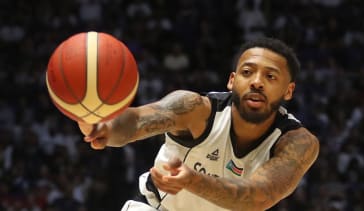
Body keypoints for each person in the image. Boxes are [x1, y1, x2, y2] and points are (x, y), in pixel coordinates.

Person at [78, 37, 320, 211]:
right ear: (232, 81)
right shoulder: (195, 109)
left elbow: (259, 197)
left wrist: (192, 180)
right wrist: (101, 125)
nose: (256, 82)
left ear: (289, 91)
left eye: (270, 76)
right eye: (247, 72)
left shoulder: (298, 142)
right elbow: (135, 122)